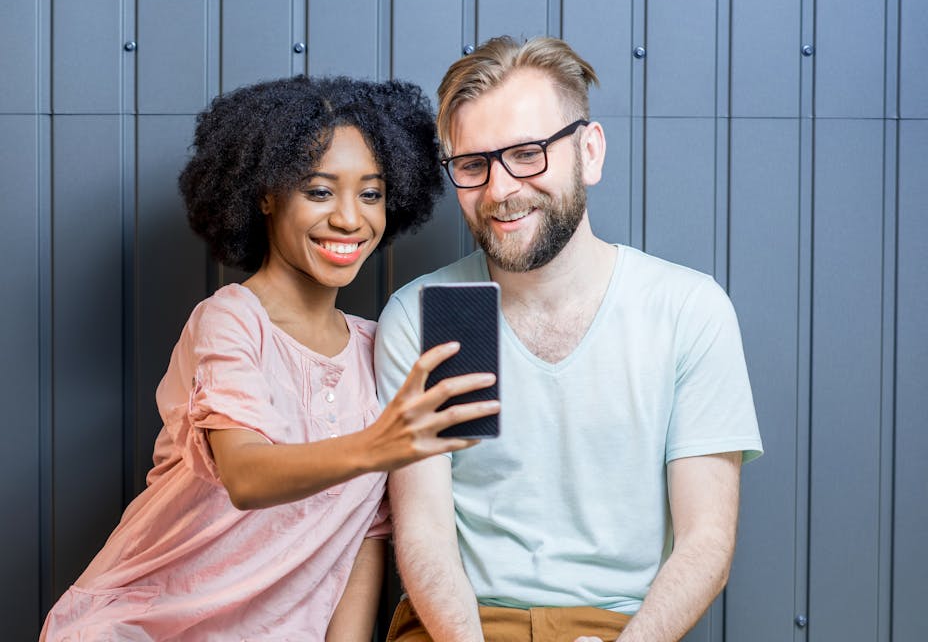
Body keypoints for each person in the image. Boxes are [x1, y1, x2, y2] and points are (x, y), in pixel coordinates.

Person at [41, 75, 500, 641]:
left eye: (371, 193)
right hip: (146, 626)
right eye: (319, 191)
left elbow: (360, 539)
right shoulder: (231, 320)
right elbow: (246, 474)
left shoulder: (377, 348)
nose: (350, 219)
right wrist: (376, 446)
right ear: (265, 194)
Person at [375, 36, 763, 642]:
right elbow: (425, 535)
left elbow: (706, 538)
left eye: (528, 154)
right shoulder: (439, 313)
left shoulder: (684, 309)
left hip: (620, 628)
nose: (501, 190)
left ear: (590, 151)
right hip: (464, 626)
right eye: (474, 165)